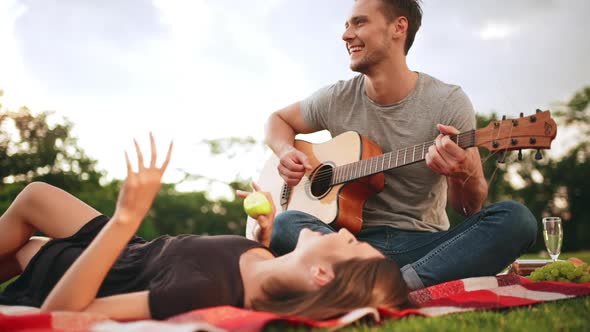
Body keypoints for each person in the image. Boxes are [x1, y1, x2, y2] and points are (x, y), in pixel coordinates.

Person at [264, 0, 537, 290]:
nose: (345, 35)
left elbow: (468, 207)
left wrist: (462, 173)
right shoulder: (336, 98)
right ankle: (398, 284)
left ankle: (383, 283)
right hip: (347, 244)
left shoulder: (448, 101)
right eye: (346, 25)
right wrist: (286, 151)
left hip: (425, 246)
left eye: (359, 23)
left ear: (399, 27)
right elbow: (277, 119)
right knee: (286, 223)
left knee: (517, 220)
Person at [0, 134, 411, 321]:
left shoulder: (207, 292)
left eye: (353, 247)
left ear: (321, 275)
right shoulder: (265, 259)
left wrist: (126, 218)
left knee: (31, 248)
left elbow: (60, 315)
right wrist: (262, 233)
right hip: (134, 250)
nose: (346, 233)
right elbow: (233, 255)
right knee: (37, 196)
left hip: (99, 269)